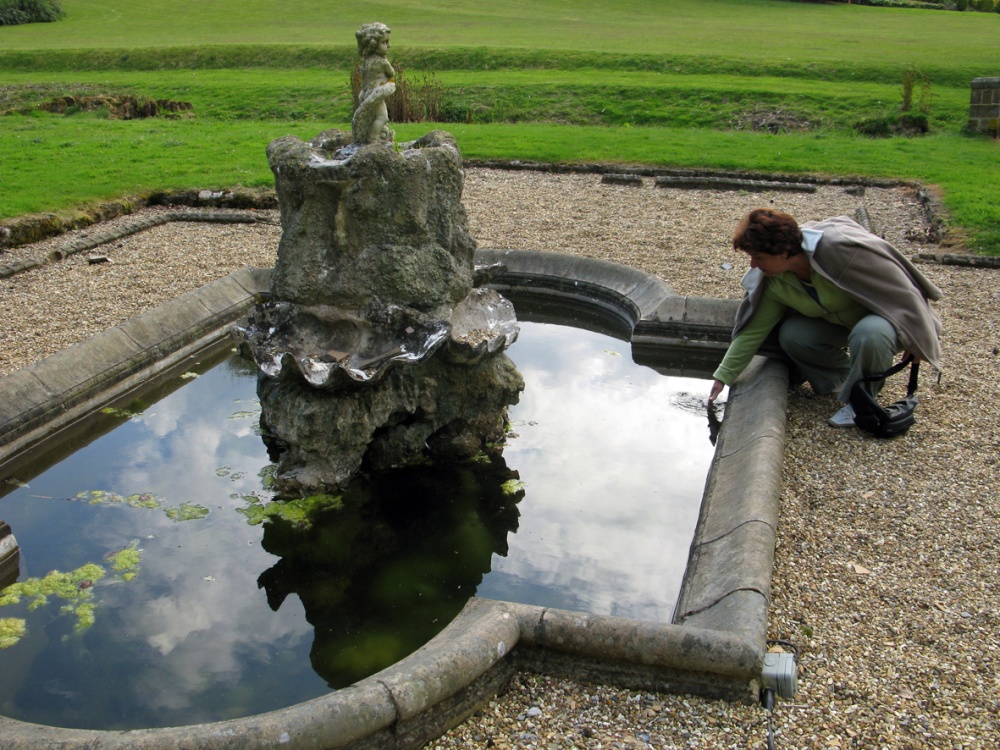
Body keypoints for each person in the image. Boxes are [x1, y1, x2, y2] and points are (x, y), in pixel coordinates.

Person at [707, 208, 943, 427]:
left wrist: (916, 334)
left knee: (868, 333)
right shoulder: (775, 281)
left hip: (882, 325)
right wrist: (723, 376)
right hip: (838, 326)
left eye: (758, 257)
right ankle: (844, 382)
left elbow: (903, 291)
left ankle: (862, 404)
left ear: (782, 251)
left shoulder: (840, 253)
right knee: (792, 334)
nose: (753, 265)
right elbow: (753, 331)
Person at [351, 22, 396, 145]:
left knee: (371, 118)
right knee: (382, 117)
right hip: (377, 93)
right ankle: (373, 138)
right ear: (374, 45)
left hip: (365, 93)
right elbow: (392, 73)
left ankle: (377, 135)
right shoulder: (382, 62)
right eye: (384, 42)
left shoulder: (367, 62)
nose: (388, 45)